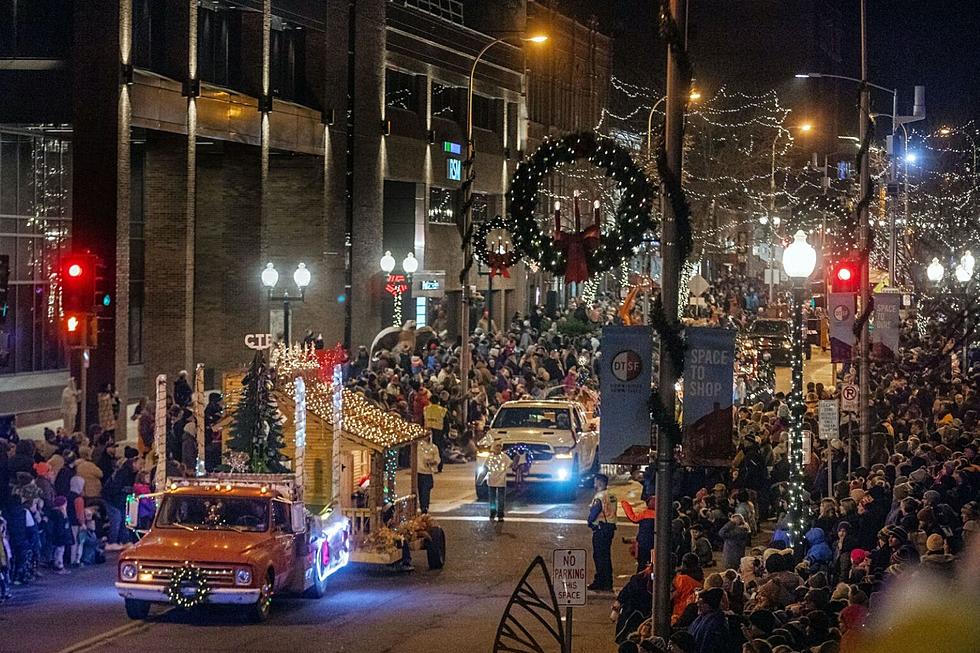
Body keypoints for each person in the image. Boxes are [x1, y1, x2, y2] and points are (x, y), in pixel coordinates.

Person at [587, 473, 617, 592]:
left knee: (599, 557)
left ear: (600, 482)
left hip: (601, 529)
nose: (594, 483)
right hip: (610, 528)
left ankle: (600, 582)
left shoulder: (599, 496)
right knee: (606, 557)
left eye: (595, 481)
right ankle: (608, 582)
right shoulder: (612, 495)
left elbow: (594, 512)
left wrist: (589, 522)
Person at [688, 586, 730, 653]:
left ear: (709, 604)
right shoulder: (702, 618)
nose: (698, 604)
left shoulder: (715, 623)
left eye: (702, 602)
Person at [481, 441, 512, 522]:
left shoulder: (504, 457)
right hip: (492, 480)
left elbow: (511, 464)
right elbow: (485, 468)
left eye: (500, 446)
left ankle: (500, 514)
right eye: (497, 446)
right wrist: (480, 479)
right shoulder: (490, 457)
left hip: (501, 481)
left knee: (501, 498)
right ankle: (492, 512)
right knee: (492, 498)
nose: (498, 448)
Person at [416, 435, 440, 514]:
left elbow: (437, 459)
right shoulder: (418, 446)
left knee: (426, 491)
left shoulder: (433, 447)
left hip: (428, 472)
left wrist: (433, 462)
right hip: (419, 471)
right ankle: (423, 506)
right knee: (421, 490)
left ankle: (425, 507)